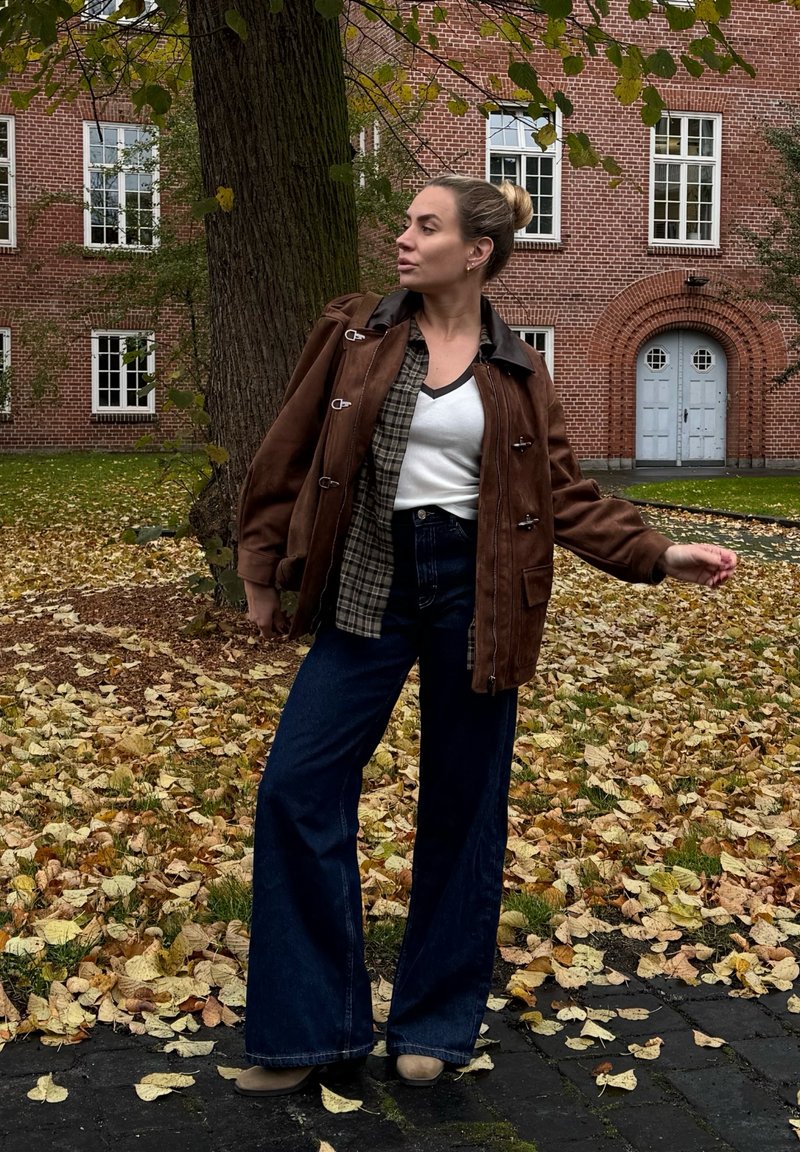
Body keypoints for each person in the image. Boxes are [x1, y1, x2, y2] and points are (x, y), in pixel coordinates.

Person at [233, 175, 737, 1096]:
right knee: (297, 790)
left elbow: (563, 495)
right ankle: (311, 1029)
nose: (403, 238)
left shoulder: (516, 368)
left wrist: (660, 554)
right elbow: (287, 450)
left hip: (481, 595)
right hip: (369, 586)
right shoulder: (356, 333)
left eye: (426, 226)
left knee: (463, 811)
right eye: (405, 224)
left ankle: (433, 1020)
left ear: (475, 253)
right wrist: (262, 569)